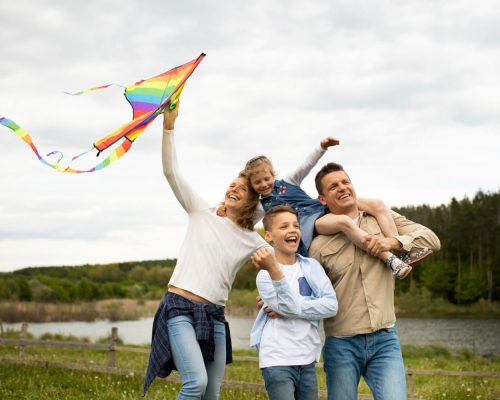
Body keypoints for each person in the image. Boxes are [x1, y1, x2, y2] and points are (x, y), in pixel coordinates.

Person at [143, 103, 272, 399]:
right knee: (195, 383)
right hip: (179, 307)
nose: (233, 188)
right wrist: (169, 127)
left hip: (215, 315)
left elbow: (285, 262)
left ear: (253, 201)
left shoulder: (253, 240)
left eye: (243, 188)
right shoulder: (201, 211)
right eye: (232, 184)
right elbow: (170, 171)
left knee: (211, 393)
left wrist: (271, 293)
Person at [308, 162, 441, 400]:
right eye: (333, 186)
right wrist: (274, 297)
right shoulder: (317, 243)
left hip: (385, 340)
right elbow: (303, 284)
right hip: (341, 344)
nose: (342, 187)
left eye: (345, 182)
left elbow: (431, 240)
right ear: (322, 199)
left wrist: (394, 242)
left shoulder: (381, 218)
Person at [244, 143, 431, 279]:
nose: (263, 184)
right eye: (257, 182)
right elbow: (246, 226)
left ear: (273, 175)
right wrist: (268, 247)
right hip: (311, 223)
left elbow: (306, 165)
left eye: (266, 179)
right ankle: (391, 260)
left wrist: (322, 147)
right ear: (252, 185)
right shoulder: (261, 206)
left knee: (377, 204)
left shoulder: (289, 182)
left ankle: (400, 249)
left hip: (322, 207)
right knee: (344, 223)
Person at [250, 205, 338, 400]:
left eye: (296, 226)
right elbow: (289, 307)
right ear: (269, 236)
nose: (292, 230)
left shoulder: (311, 266)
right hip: (277, 359)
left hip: (307, 358)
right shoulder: (265, 275)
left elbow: (331, 305)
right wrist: (274, 269)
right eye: (284, 226)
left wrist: (291, 309)